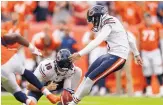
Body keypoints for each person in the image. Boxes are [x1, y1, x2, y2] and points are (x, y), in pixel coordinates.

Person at [68, 5, 142, 105]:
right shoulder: (113, 20)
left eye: (93, 19)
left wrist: (80, 53)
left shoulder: (109, 23)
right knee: (87, 76)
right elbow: (130, 39)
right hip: (110, 54)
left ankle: (73, 103)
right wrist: (137, 55)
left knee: (90, 79)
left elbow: (98, 40)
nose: (93, 22)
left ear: (99, 17)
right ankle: (72, 100)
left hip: (119, 57)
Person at [1, 31, 60, 105]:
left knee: (15, 90)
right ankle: (48, 94)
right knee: (24, 71)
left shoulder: (54, 44)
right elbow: (16, 37)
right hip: (8, 56)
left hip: (2, 71)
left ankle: (31, 103)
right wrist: (32, 48)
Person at [138, 13, 163, 96]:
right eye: (145, 19)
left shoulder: (157, 26)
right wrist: (138, 54)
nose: (147, 21)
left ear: (151, 19)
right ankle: (149, 90)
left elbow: (161, 40)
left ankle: (161, 89)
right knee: (147, 71)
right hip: (145, 52)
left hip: (155, 51)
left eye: (148, 19)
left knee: (158, 70)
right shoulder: (141, 28)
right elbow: (139, 41)